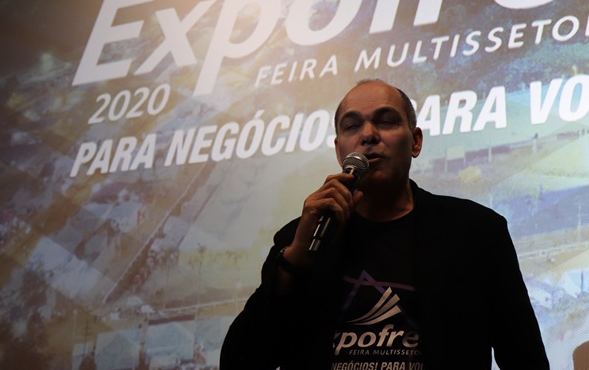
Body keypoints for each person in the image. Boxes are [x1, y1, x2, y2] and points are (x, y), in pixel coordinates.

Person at [221, 80, 549, 369]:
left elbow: (524, 357)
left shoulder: (476, 232)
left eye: (386, 121)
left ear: (416, 142)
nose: (368, 135)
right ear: (339, 151)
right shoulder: (301, 237)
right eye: (352, 126)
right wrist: (295, 262)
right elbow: (241, 361)